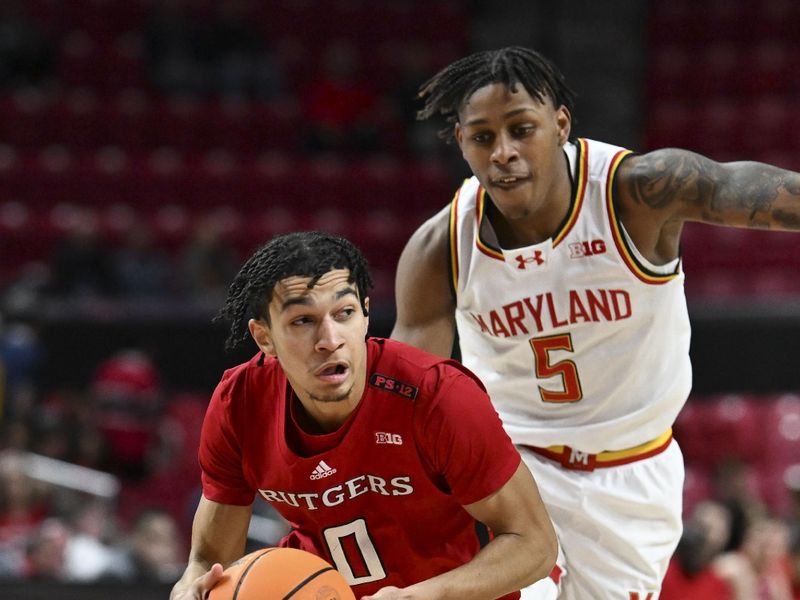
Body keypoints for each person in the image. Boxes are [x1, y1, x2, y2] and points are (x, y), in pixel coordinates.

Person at [390, 46, 800, 599]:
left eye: (521, 129)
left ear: (560, 124)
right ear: (461, 142)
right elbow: (407, 399)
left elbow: (735, 187)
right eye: (483, 137)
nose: (504, 152)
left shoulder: (636, 192)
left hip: (634, 473)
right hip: (512, 470)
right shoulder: (439, 247)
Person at [170, 231, 557, 600]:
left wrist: (421, 595)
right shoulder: (240, 403)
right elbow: (207, 561)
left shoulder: (438, 397)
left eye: (345, 313)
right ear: (264, 337)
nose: (330, 339)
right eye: (303, 321)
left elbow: (534, 545)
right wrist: (191, 584)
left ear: (366, 316)